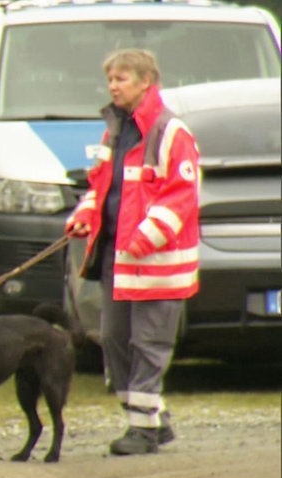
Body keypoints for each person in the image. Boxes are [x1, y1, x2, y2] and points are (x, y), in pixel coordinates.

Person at [65, 49, 200, 456]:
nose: (113, 87)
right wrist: (86, 213)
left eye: (121, 79)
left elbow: (181, 196)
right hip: (118, 260)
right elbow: (101, 186)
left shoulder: (171, 133)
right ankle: (151, 419)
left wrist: (145, 237)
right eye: (111, 80)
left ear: (146, 81)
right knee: (114, 339)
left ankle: (142, 431)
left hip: (157, 264)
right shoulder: (114, 132)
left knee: (149, 343)